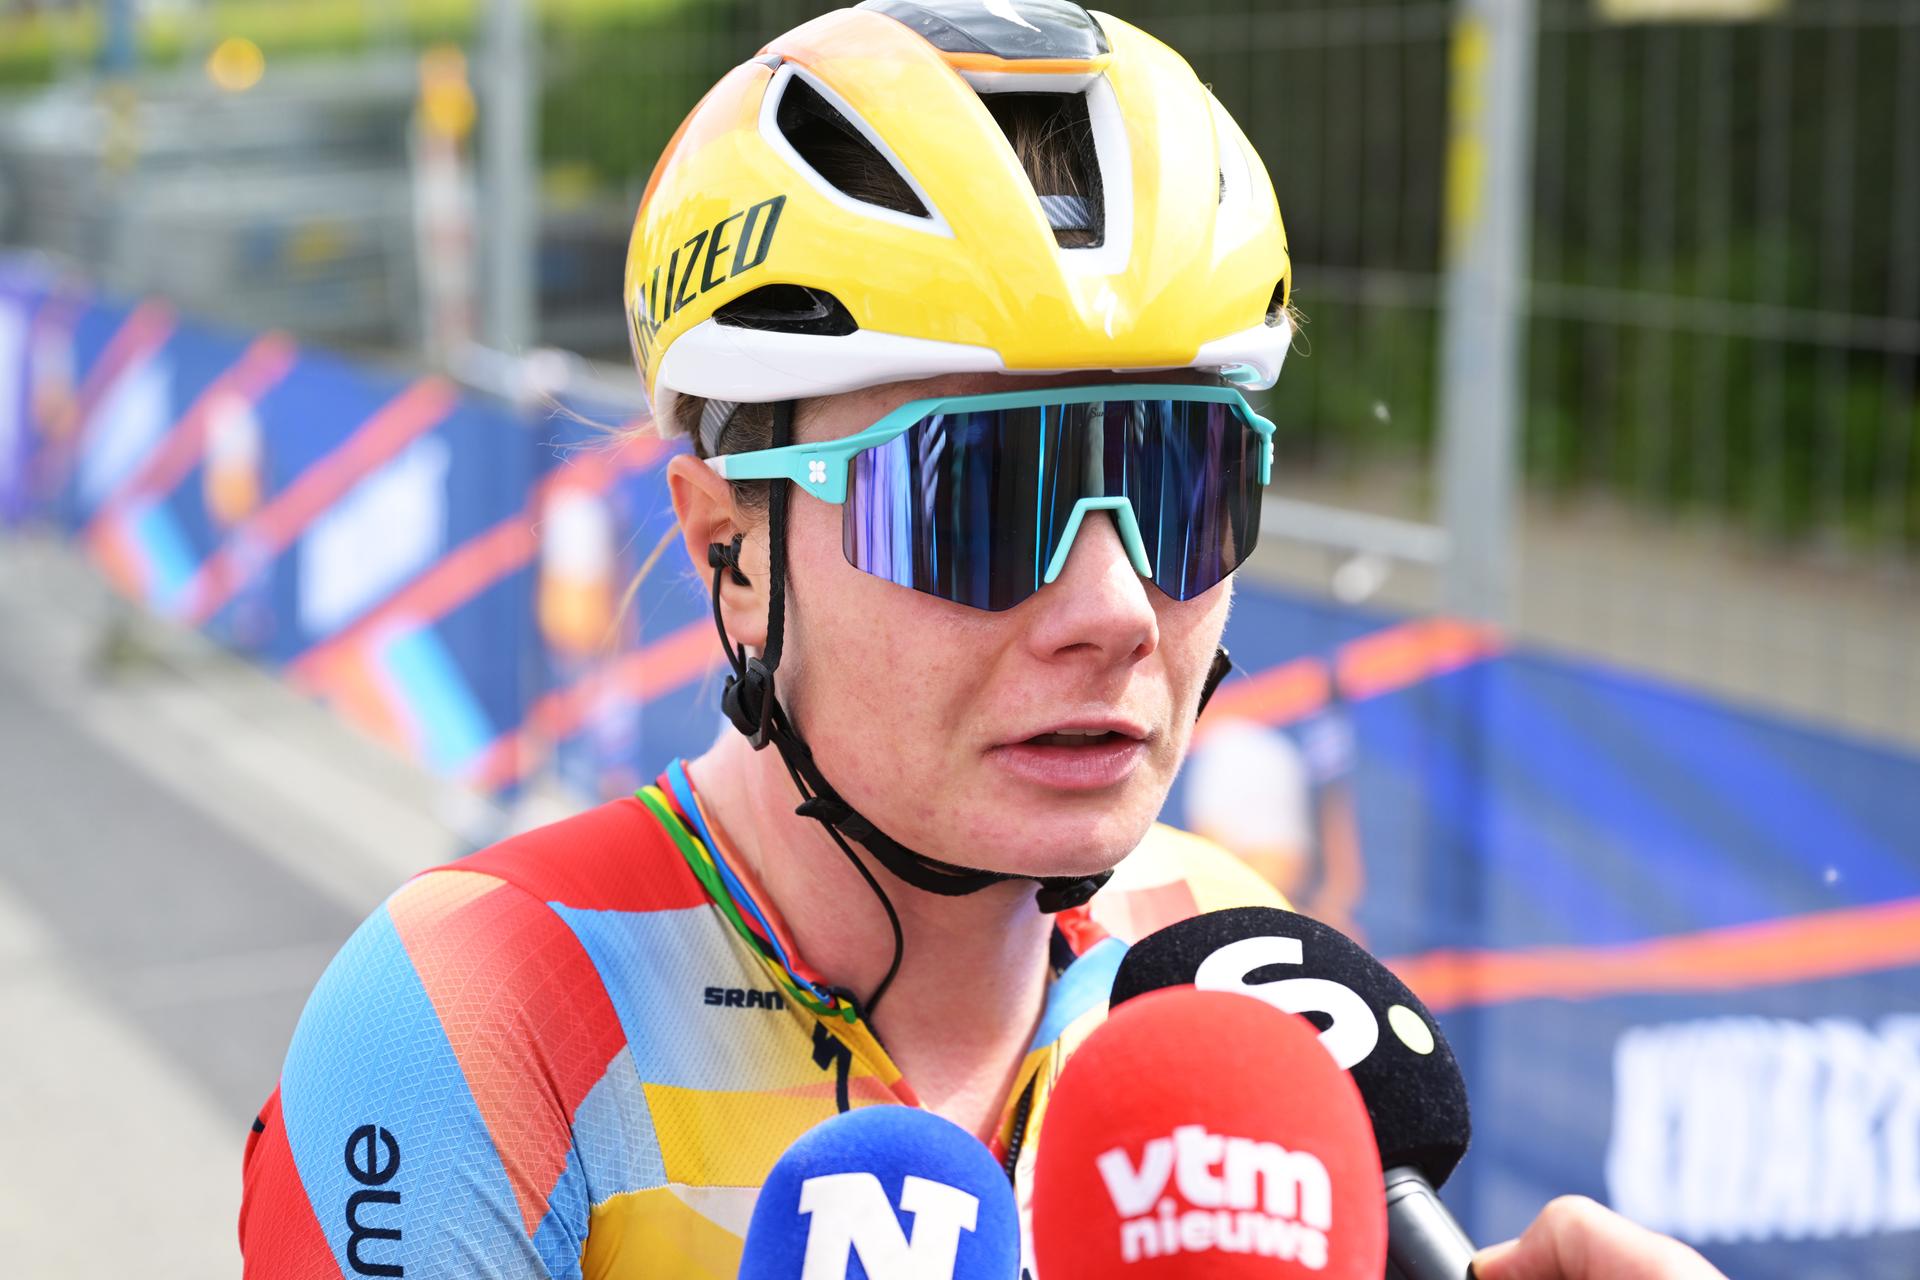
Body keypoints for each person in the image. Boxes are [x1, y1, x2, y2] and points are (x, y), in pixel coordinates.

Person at [237, 3, 1726, 1278]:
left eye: (1180, 485)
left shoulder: (1231, 974)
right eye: (977, 500)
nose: (1114, 611)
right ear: (731, 550)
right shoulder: (470, 1014)